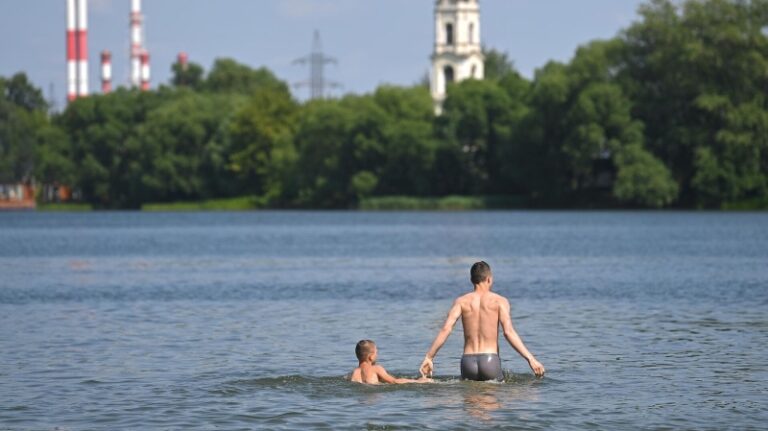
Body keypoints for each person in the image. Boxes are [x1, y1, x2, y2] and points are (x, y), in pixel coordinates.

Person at [419, 261, 545, 381]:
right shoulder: (499, 301)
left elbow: (446, 329)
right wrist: (531, 359)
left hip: (467, 362)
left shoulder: (461, 301)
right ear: (489, 279)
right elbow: (508, 332)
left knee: (470, 401)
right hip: (490, 360)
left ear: (471, 280)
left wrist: (429, 357)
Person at [350, 340, 432, 384]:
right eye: (376, 352)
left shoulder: (354, 372)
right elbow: (394, 381)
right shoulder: (376, 368)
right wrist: (418, 381)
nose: (377, 355)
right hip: (373, 395)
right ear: (371, 357)